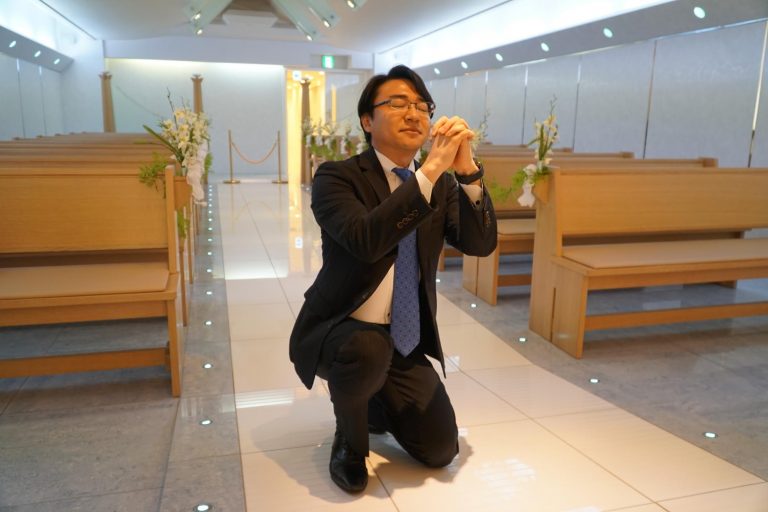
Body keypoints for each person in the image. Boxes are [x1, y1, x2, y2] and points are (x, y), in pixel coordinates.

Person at [289, 64, 497, 493]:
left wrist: (468, 173)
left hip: (401, 339)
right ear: (368, 121)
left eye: (422, 106)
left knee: (440, 449)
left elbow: (479, 244)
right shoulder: (337, 177)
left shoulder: (440, 186)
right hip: (339, 329)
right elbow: (366, 240)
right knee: (367, 350)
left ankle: (371, 398)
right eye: (398, 104)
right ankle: (349, 441)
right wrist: (429, 170)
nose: (414, 113)